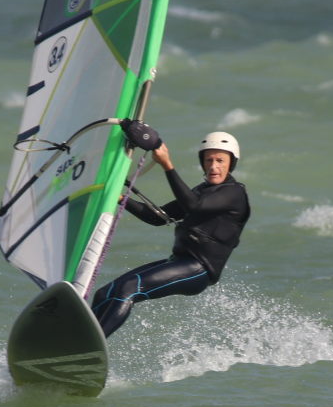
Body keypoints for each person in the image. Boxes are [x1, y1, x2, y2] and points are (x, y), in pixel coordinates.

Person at [90, 128, 251, 339]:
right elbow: (157, 217)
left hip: (199, 269)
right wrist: (121, 198)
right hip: (178, 262)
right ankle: (77, 339)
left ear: (231, 163)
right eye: (209, 160)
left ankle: (91, 344)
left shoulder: (234, 193)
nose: (214, 166)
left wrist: (167, 165)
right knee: (105, 293)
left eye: (220, 160)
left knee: (129, 288)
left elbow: (194, 207)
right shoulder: (202, 191)